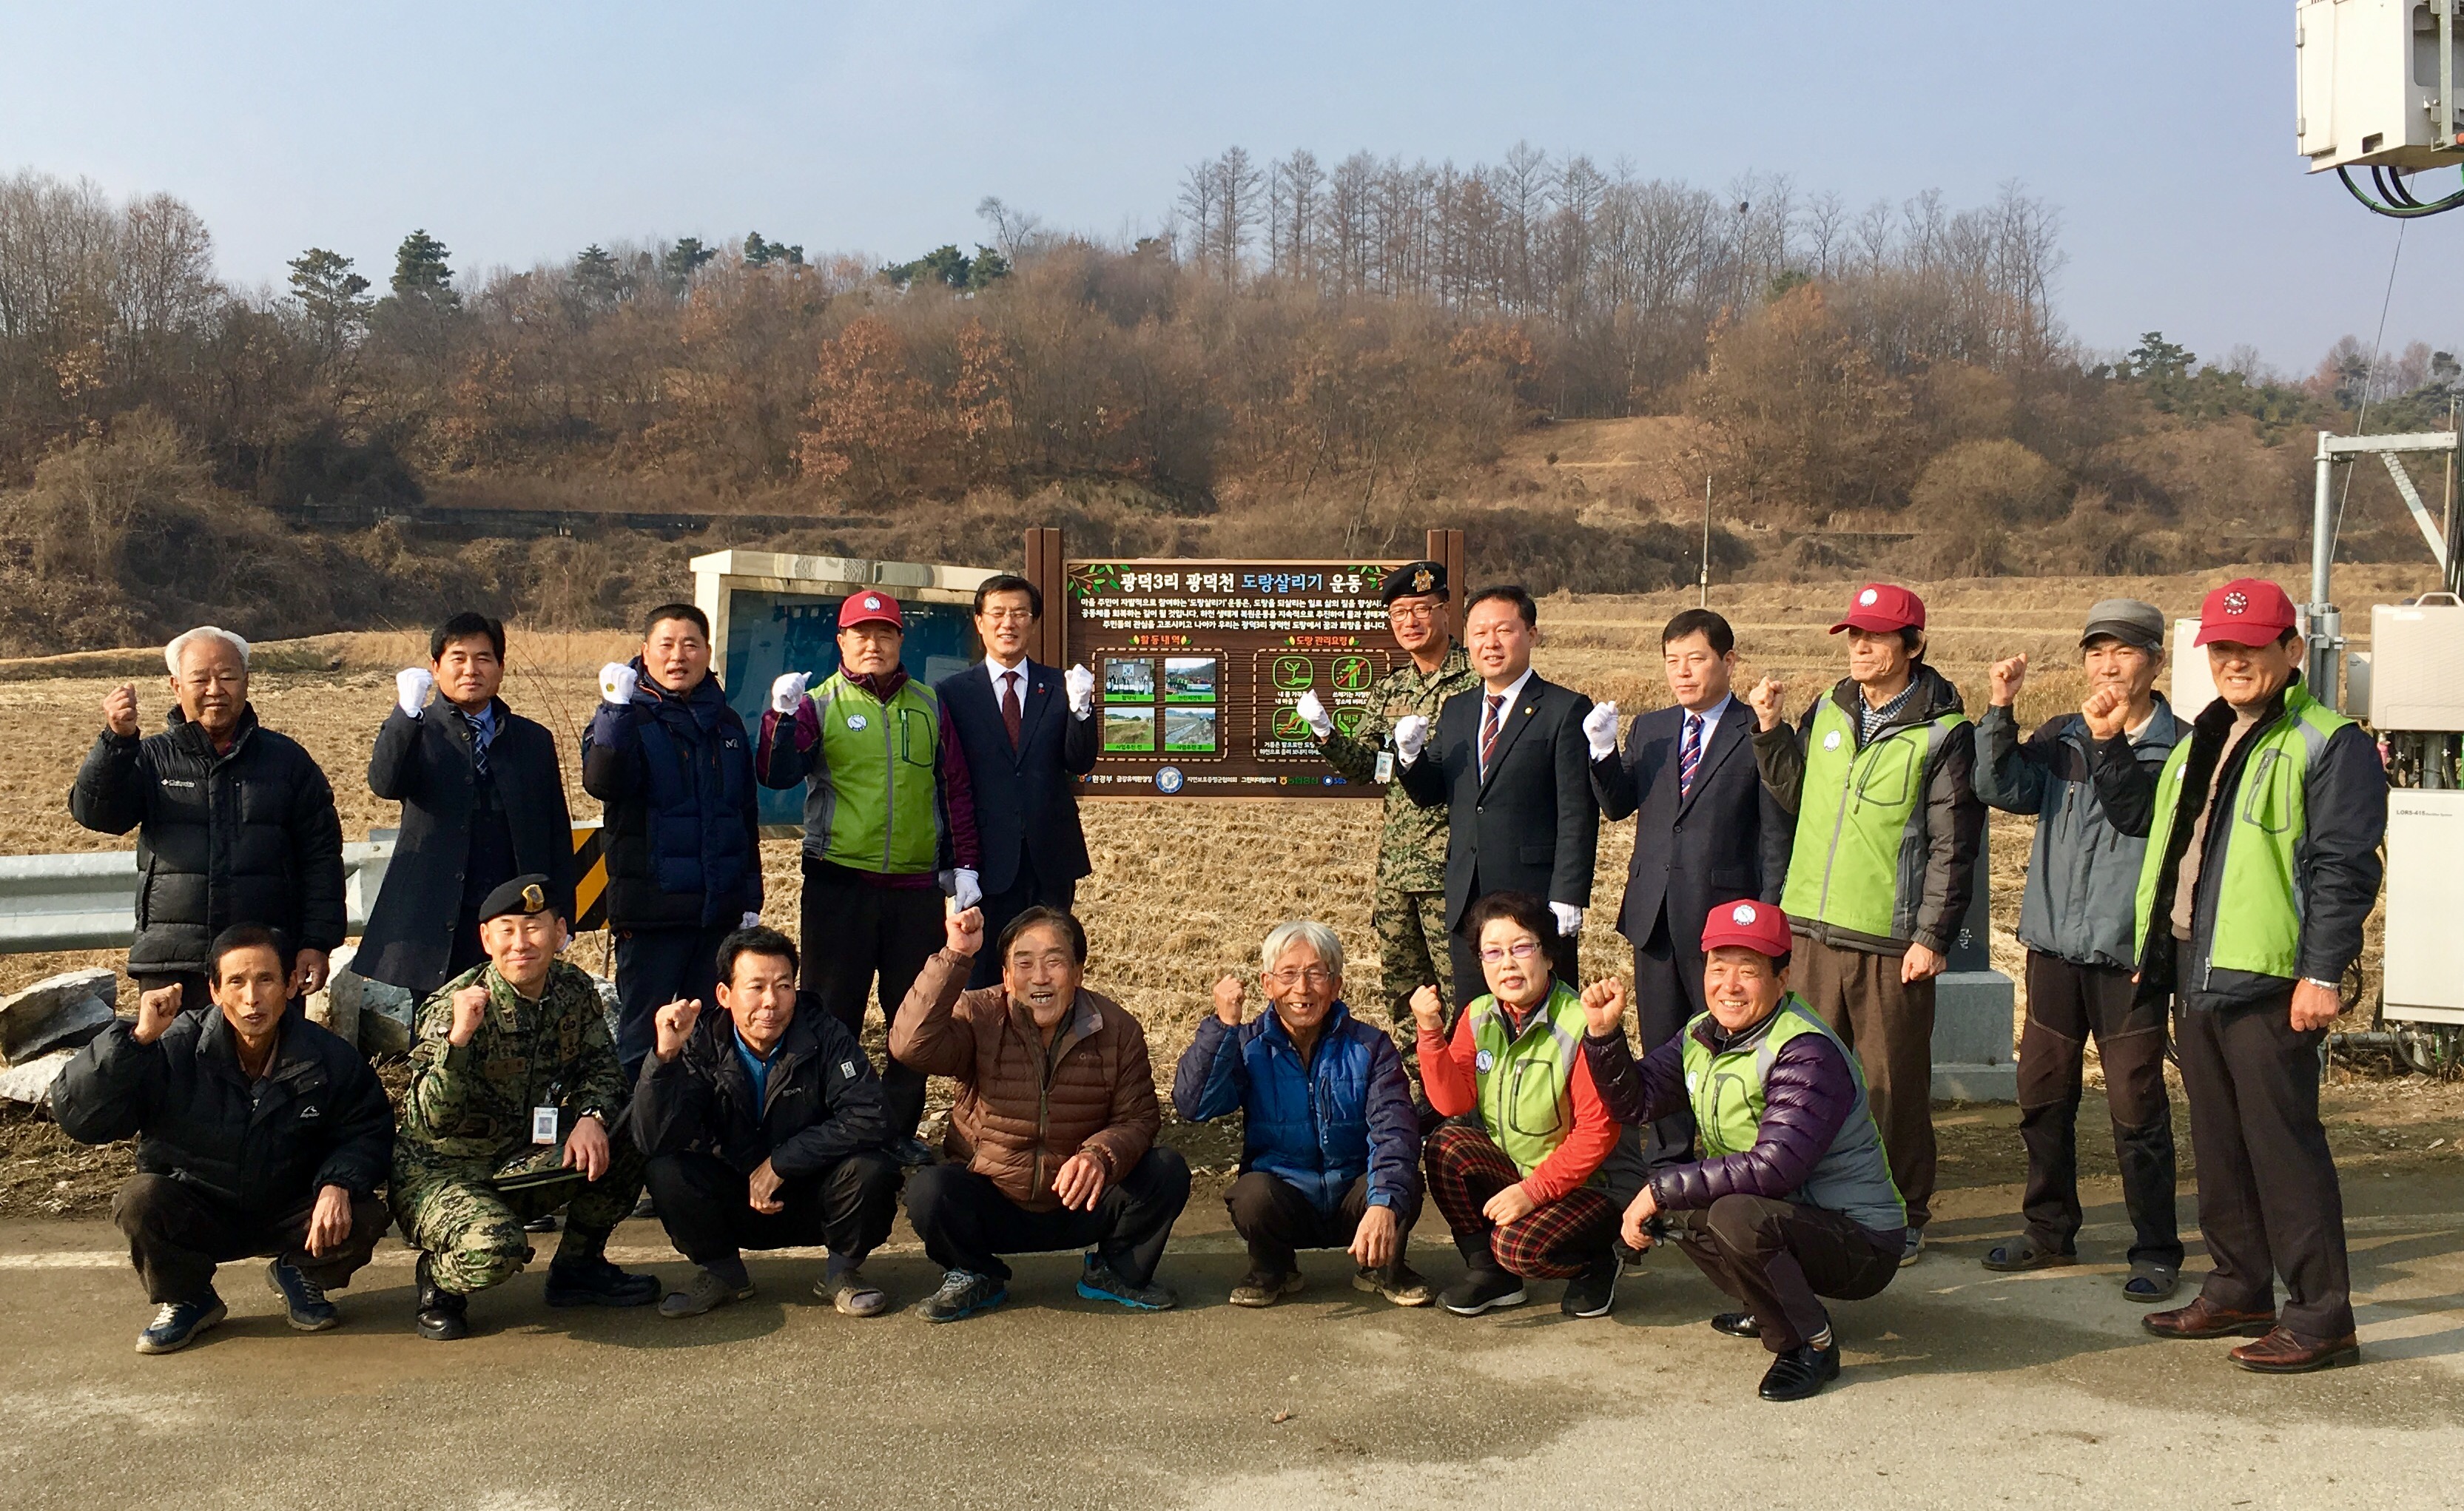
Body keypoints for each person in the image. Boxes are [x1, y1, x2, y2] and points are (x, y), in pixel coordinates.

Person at [2097, 577, 2383, 1374]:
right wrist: (2114, 748)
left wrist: (2321, 971)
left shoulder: (2329, 742)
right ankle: (2238, 1285)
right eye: (2222, 649)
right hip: (2196, 964)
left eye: (2251, 647)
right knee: (2220, 1142)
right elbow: (2151, 826)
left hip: (2270, 976)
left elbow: (2342, 869)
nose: (2233, 661)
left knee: (2284, 1147)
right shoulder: (2203, 737)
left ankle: (2323, 1312)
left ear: (2291, 651)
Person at [1580, 900, 1908, 1401]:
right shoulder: (1702, 1033)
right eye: (1719, 967)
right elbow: (1639, 1101)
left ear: (1782, 978)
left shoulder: (1806, 1050)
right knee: (1694, 1208)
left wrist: (1658, 1188)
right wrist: (1604, 1037)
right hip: (1793, 1215)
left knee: (1734, 1215)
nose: (1729, 985)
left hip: (1861, 1242)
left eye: (1749, 971)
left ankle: (1810, 1343)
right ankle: (1772, 1304)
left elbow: (1774, 1168)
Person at [1748, 582, 1982, 1263]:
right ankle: (1818, 1204)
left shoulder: (1943, 731)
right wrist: (1769, 732)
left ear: (1913, 646)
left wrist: (1932, 937)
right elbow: (1798, 796)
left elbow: (1953, 844)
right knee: (1808, 1077)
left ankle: (1901, 1213)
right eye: (1853, 635)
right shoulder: (1827, 708)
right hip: (1811, 930)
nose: (1860, 648)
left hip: (1889, 938)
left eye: (1875, 637)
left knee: (1891, 1085)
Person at [1973, 599, 2187, 1300]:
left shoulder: (2181, 746)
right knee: (2043, 1094)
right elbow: (2000, 786)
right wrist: (2000, 710)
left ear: (2156, 661)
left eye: (2123, 652)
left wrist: (2107, 743)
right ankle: (2048, 1229)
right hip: (2055, 948)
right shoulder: (2064, 733)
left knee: (2136, 1104)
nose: (2107, 665)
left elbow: (2139, 817)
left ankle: (2155, 1247)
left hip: (2129, 956)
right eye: (2096, 652)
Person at [53, 925, 393, 1354]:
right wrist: (137, 1041)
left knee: (363, 1210)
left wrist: (338, 1181)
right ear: (214, 991)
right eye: (236, 982)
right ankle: (189, 1297)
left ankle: (301, 1274)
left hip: (290, 1211)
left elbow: (368, 1128)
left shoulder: (329, 1056)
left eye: (266, 979)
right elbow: (80, 1120)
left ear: (290, 985)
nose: (252, 998)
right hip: (201, 1209)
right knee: (140, 1198)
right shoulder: (171, 1047)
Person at [760, 588, 982, 1165]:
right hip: (840, 885)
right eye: (861, 634)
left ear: (900, 640)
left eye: (885, 633)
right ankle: (831, 1125)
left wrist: (965, 868)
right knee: (833, 1014)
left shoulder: (929, 706)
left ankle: (893, 1128)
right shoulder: (818, 703)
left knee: (913, 1016)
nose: (873, 644)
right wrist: (780, 720)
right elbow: (778, 774)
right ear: (841, 641)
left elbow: (954, 790)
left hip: (914, 890)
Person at [891, 905, 1192, 1322]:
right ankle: (975, 1273)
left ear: (1079, 971)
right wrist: (957, 954)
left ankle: (1115, 1272)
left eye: (1054, 962)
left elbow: (1139, 1119)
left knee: (1166, 1170)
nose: (1040, 976)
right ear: (1007, 976)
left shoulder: (1118, 1028)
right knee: (930, 1191)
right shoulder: (980, 1015)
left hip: (1080, 1202)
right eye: (1024, 963)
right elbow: (909, 1046)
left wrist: (1099, 1155)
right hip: (993, 1196)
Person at [391, 875, 659, 1340]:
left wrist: (591, 1118)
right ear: (486, 939)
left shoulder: (572, 990)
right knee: (496, 1248)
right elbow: (429, 1120)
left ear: (559, 933)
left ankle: (579, 1267)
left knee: (631, 1132)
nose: (521, 944)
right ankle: (439, 1282)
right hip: (443, 1175)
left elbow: (602, 1071)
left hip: (523, 1160)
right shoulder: (454, 1007)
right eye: (507, 930)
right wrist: (459, 1041)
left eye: (533, 928)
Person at [1584, 607, 1792, 1177]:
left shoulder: (1758, 730)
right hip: (1653, 913)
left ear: (1728, 661)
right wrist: (1602, 754)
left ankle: (1735, 1160)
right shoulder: (1651, 729)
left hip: (1726, 920)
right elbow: (1617, 803)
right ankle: (1669, 1160)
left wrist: (1769, 915)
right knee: (1660, 1043)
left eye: (1695, 660)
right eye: (1672, 662)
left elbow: (1775, 832)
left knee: (1728, 1039)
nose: (1683, 673)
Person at [632, 926, 903, 1319]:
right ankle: (724, 1274)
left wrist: (782, 1162)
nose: (771, 1002)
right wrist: (664, 1060)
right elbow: (652, 1138)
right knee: (666, 1170)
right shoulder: (701, 1041)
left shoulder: (825, 1033)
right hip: (733, 1194)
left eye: (783, 986)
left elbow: (872, 1115)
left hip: (812, 1192)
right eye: (755, 987)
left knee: (873, 1168)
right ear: (725, 996)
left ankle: (841, 1272)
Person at [70, 625, 345, 1008]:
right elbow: (98, 815)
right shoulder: (150, 758)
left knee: (265, 1067)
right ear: (175, 686)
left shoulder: (288, 762)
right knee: (176, 1064)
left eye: (228, 677)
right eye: (200, 678)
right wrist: (116, 740)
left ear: (247, 682)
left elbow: (321, 857)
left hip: (263, 963)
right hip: (173, 962)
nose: (215, 689)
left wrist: (316, 941)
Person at [1172, 921, 1431, 1308]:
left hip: (1354, 1195)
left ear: (1337, 985)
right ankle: (1272, 1269)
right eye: (1288, 974)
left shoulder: (1371, 1046)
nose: (1302, 988)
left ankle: (1385, 1267)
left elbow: (1394, 1132)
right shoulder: (1248, 1045)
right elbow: (1194, 1104)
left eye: (1316, 974)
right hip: (1285, 1198)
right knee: (1252, 1195)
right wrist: (1223, 1027)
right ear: (1267, 984)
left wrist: (1381, 1203)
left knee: (1402, 1180)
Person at [1411, 891, 1621, 1319]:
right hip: (1518, 1171)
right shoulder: (1478, 1015)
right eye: (1493, 952)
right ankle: (1492, 1277)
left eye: (1521, 947)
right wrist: (1430, 1033)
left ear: (1548, 956)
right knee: (1446, 1145)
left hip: (1588, 1188)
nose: (1507, 963)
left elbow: (1599, 1132)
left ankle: (1599, 1262)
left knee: (1518, 1248)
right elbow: (1453, 1101)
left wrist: (1531, 1193)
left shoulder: (1582, 1022)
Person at [584, 603, 764, 1088]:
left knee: (714, 1041)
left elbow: (744, 818)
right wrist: (615, 712)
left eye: (690, 644)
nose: (678, 655)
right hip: (651, 917)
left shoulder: (725, 725)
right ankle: (634, 1149)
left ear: (707, 652)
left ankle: (702, 1146)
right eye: (666, 644)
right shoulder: (625, 717)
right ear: (645, 652)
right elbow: (603, 780)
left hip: (717, 917)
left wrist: (750, 901)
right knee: (644, 1042)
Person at [1296, 559, 1478, 1034]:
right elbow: (1368, 769)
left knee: (1461, 994)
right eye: (1399, 614)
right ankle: (1415, 1093)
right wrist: (1325, 732)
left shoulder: (1477, 681)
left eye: (1421, 609)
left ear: (1445, 611)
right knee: (1404, 994)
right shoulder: (1391, 688)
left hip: (1452, 870)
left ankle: (1463, 1098)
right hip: (1397, 871)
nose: (1410, 623)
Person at [1394, 585, 1599, 999]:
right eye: (1479, 633)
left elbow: (1577, 812)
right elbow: (1432, 791)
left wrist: (1567, 894)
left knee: (1545, 1017)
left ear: (1531, 634)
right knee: (1477, 1018)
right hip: (1468, 897)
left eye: (1503, 631)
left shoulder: (1565, 709)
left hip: (1534, 900)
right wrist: (1410, 756)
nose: (1491, 643)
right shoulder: (1459, 708)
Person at [360, 612, 577, 997]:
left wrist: (564, 916)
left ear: (500, 668)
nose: (470, 670)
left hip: (512, 914)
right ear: (436, 667)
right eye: (457, 658)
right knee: (441, 1031)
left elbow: (556, 832)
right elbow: (384, 783)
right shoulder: (417, 730)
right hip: (436, 915)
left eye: (483, 658)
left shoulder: (532, 740)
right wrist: (405, 714)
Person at [932, 574, 1099, 990]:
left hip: (1050, 855)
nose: (1009, 623)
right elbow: (946, 781)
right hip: (986, 859)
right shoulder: (951, 694)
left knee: (1052, 966)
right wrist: (953, 862)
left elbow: (1080, 761)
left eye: (1020, 613)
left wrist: (1081, 712)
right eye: (998, 613)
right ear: (979, 622)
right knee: (987, 972)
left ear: (1033, 622)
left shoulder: (1059, 686)